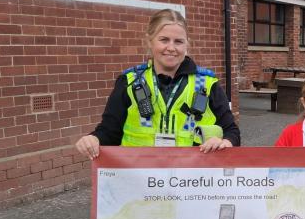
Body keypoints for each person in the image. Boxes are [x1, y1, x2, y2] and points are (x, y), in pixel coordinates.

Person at [75, 9, 240, 159]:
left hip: (190, 181)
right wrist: (93, 139)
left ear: (187, 44)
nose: (171, 47)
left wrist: (226, 142)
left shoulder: (208, 84)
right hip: (140, 181)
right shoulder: (129, 82)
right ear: (150, 41)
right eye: (164, 40)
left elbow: (231, 131)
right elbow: (109, 132)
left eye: (178, 41)